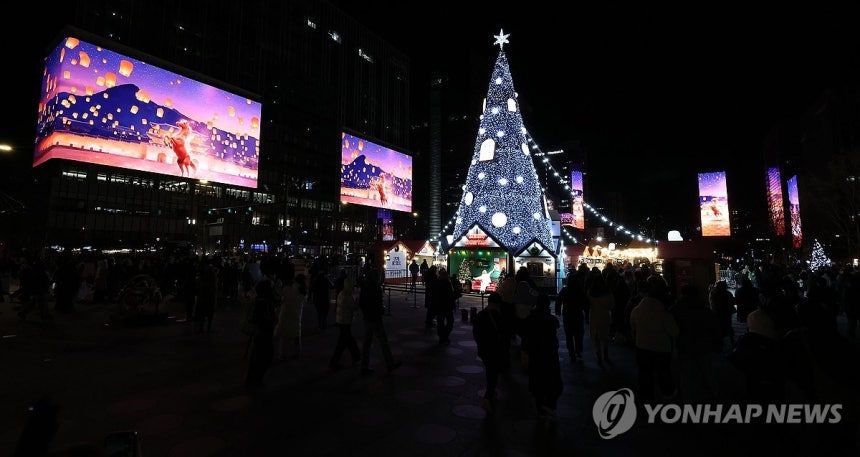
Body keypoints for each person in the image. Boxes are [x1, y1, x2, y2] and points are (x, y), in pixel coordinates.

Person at [630, 275, 679, 403]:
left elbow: (632, 326)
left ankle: (646, 396)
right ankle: (666, 393)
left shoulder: (636, 310)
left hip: (642, 345)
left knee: (644, 373)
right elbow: (674, 331)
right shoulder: (664, 311)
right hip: (662, 347)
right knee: (663, 371)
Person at [521, 293, 563, 421]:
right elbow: (556, 326)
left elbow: (525, 337)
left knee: (537, 382)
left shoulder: (530, 318)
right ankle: (549, 405)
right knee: (554, 382)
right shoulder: (551, 320)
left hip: (535, 354)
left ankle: (540, 408)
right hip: (549, 354)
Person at [472, 292, 512, 414]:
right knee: (493, 372)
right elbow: (507, 333)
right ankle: (488, 397)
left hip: (484, 350)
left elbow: (476, 333)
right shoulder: (502, 316)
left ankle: (491, 392)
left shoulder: (481, 315)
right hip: (497, 349)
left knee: (491, 370)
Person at [358, 267, 401, 374]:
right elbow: (377, 303)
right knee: (383, 341)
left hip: (367, 317)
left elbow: (361, 302)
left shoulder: (365, 287)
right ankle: (389, 364)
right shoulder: (376, 288)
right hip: (375, 317)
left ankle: (364, 365)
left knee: (367, 343)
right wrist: (381, 309)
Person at [245, 260, 279, 390]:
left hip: (260, 326)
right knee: (265, 353)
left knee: (257, 352)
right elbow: (275, 302)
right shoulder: (266, 288)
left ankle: (252, 377)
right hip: (265, 326)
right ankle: (256, 377)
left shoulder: (260, 287)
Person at [330, 276, 361, 369]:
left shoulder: (341, 293)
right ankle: (334, 362)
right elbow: (354, 307)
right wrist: (357, 302)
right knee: (344, 343)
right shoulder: (347, 296)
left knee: (348, 341)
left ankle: (356, 357)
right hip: (345, 321)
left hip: (341, 320)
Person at [556, 273, 588, 361]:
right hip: (578, 314)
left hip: (567, 314)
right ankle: (578, 349)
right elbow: (585, 302)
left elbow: (558, 300)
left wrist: (558, 311)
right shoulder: (580, 290)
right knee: (579, 333)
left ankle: (571, 352)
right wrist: (586, 313)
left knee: (569, 335)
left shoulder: (565, 290)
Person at [274, 267, 305, 360]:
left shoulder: (287, 289)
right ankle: (297, 352)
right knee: (296, 336)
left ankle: (282, 354)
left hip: (286, 315)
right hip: (297, 316)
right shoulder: (302, 292)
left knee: (284, 337)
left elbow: (281, 298)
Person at [587, 274, 614, 367]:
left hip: (594, 316)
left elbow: (588, 304)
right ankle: (605, 354)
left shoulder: (591, 292)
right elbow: (612, 305)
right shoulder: (608, 293)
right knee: (605, 336)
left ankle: (599, 355)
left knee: (596, 337)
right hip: (605, 316)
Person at [194, 257, 219, 334]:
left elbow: (199, 284)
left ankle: (202, 328)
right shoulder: (211, 272)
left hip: (203, 295)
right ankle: (208, 328)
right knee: (209, 312)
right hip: (209, 295)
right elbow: (214, 284)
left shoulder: (202, 272)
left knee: (202, 312)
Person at [433, 268, 457, 345]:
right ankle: (444, 335)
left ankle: (441, 336)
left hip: (439, 306)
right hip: (447, 306)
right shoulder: (448, 284)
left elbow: (435, 295)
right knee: (450, 321)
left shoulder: (437, 283)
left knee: (440, 322)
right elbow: (451, 295)